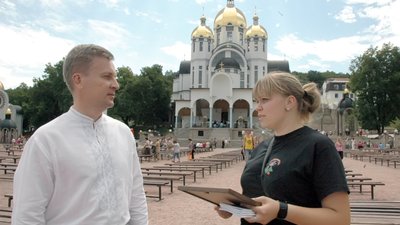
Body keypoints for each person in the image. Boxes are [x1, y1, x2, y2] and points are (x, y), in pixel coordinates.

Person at [12, 44, 148, 225]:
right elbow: (27, 215)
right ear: (78, 80)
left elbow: (136, 197)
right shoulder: (46, 140)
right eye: (107, 76)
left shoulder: (123, 133)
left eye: (115, 77)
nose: (116, 84)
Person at [216, 71, 350, 225]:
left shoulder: (318, 146)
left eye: (264, 100)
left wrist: (281, 210)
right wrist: (236, 206)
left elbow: (341, 219)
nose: (257, 108)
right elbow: (258, 198)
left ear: (289, 102)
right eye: (256, 101)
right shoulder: (261, 147)